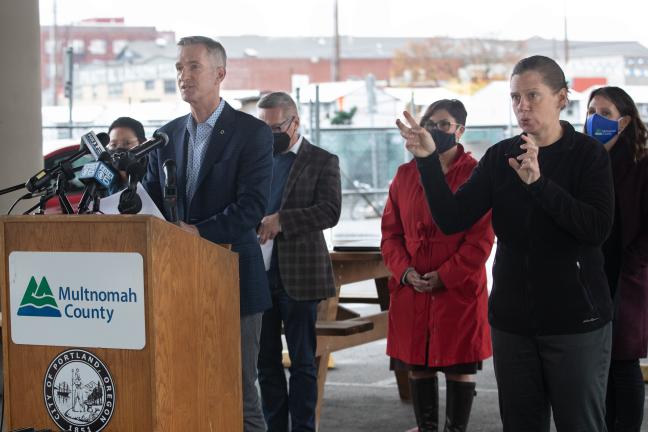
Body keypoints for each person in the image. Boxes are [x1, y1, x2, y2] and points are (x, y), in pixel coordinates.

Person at [396, 55, 615, 432]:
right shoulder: (501, 156)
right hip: (513, 321)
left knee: (580, 423)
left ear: (561, 98)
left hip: (575, 320)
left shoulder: (588, 155)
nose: (522, 107)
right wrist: (429, 162)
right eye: (515, 97)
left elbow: (595, 229)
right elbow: (452, 218)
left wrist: (539, 184)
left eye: (533, 95)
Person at [142, 36, 273, 432]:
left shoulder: (252, 133)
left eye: (193, 66)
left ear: (220, 74)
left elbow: (251, 208)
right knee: (185, 386)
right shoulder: (164, 137)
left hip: (234, 279)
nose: (184, 75)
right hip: (178, 284)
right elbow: (152, 204)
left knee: (239, 394)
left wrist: (196, 232)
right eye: (179, 67)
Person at [381, 99, 494, 432]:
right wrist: (405, 272)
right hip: (412, 288)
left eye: (444, 124)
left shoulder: (476, 174)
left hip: (457, 290)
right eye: (430, 123)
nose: (435, 130)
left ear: (460, 131)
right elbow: (390, 235)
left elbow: (481, 241)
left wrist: (444, 276)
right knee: (419, 365)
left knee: (460, 366)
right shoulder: (404, 175)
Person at [255, 92, 341, 432]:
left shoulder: (322, 160)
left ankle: (304, 428)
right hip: (257, 273)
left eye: (275, 128)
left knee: (303, 362)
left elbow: (330, 211)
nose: (270, 136)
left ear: (295, 122)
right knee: (266, 364)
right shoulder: (256, 160)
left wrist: (282, 220)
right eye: (263, 129)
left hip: (300, 275)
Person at [585, 86, 648, 432]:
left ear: (624, 121)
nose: (595, 118)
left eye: (605, 113)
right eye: (592, 110)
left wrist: (632, 263)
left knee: (623, 364)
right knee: (596, 366)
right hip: (590, 276)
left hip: (625, 278)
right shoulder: (584, 160)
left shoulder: (641, 163)